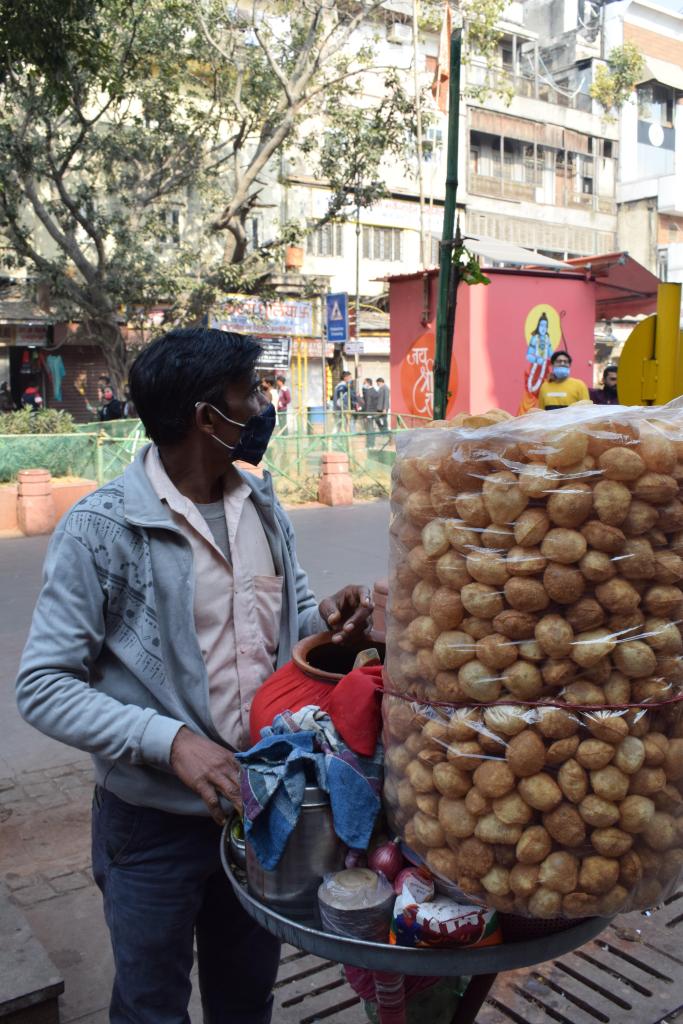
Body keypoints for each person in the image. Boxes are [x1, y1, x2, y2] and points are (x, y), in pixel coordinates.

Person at [16, 327, 373, 1024]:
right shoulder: (100, 530)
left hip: (257, 805)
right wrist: (173, 742)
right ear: (208, 418)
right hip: (149, 828)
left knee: (246, 999)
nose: (265, 407)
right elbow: (43, 685)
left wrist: (328, 626)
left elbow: (290, 618)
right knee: (151, 1006)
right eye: (252, 395)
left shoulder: (262, 504)